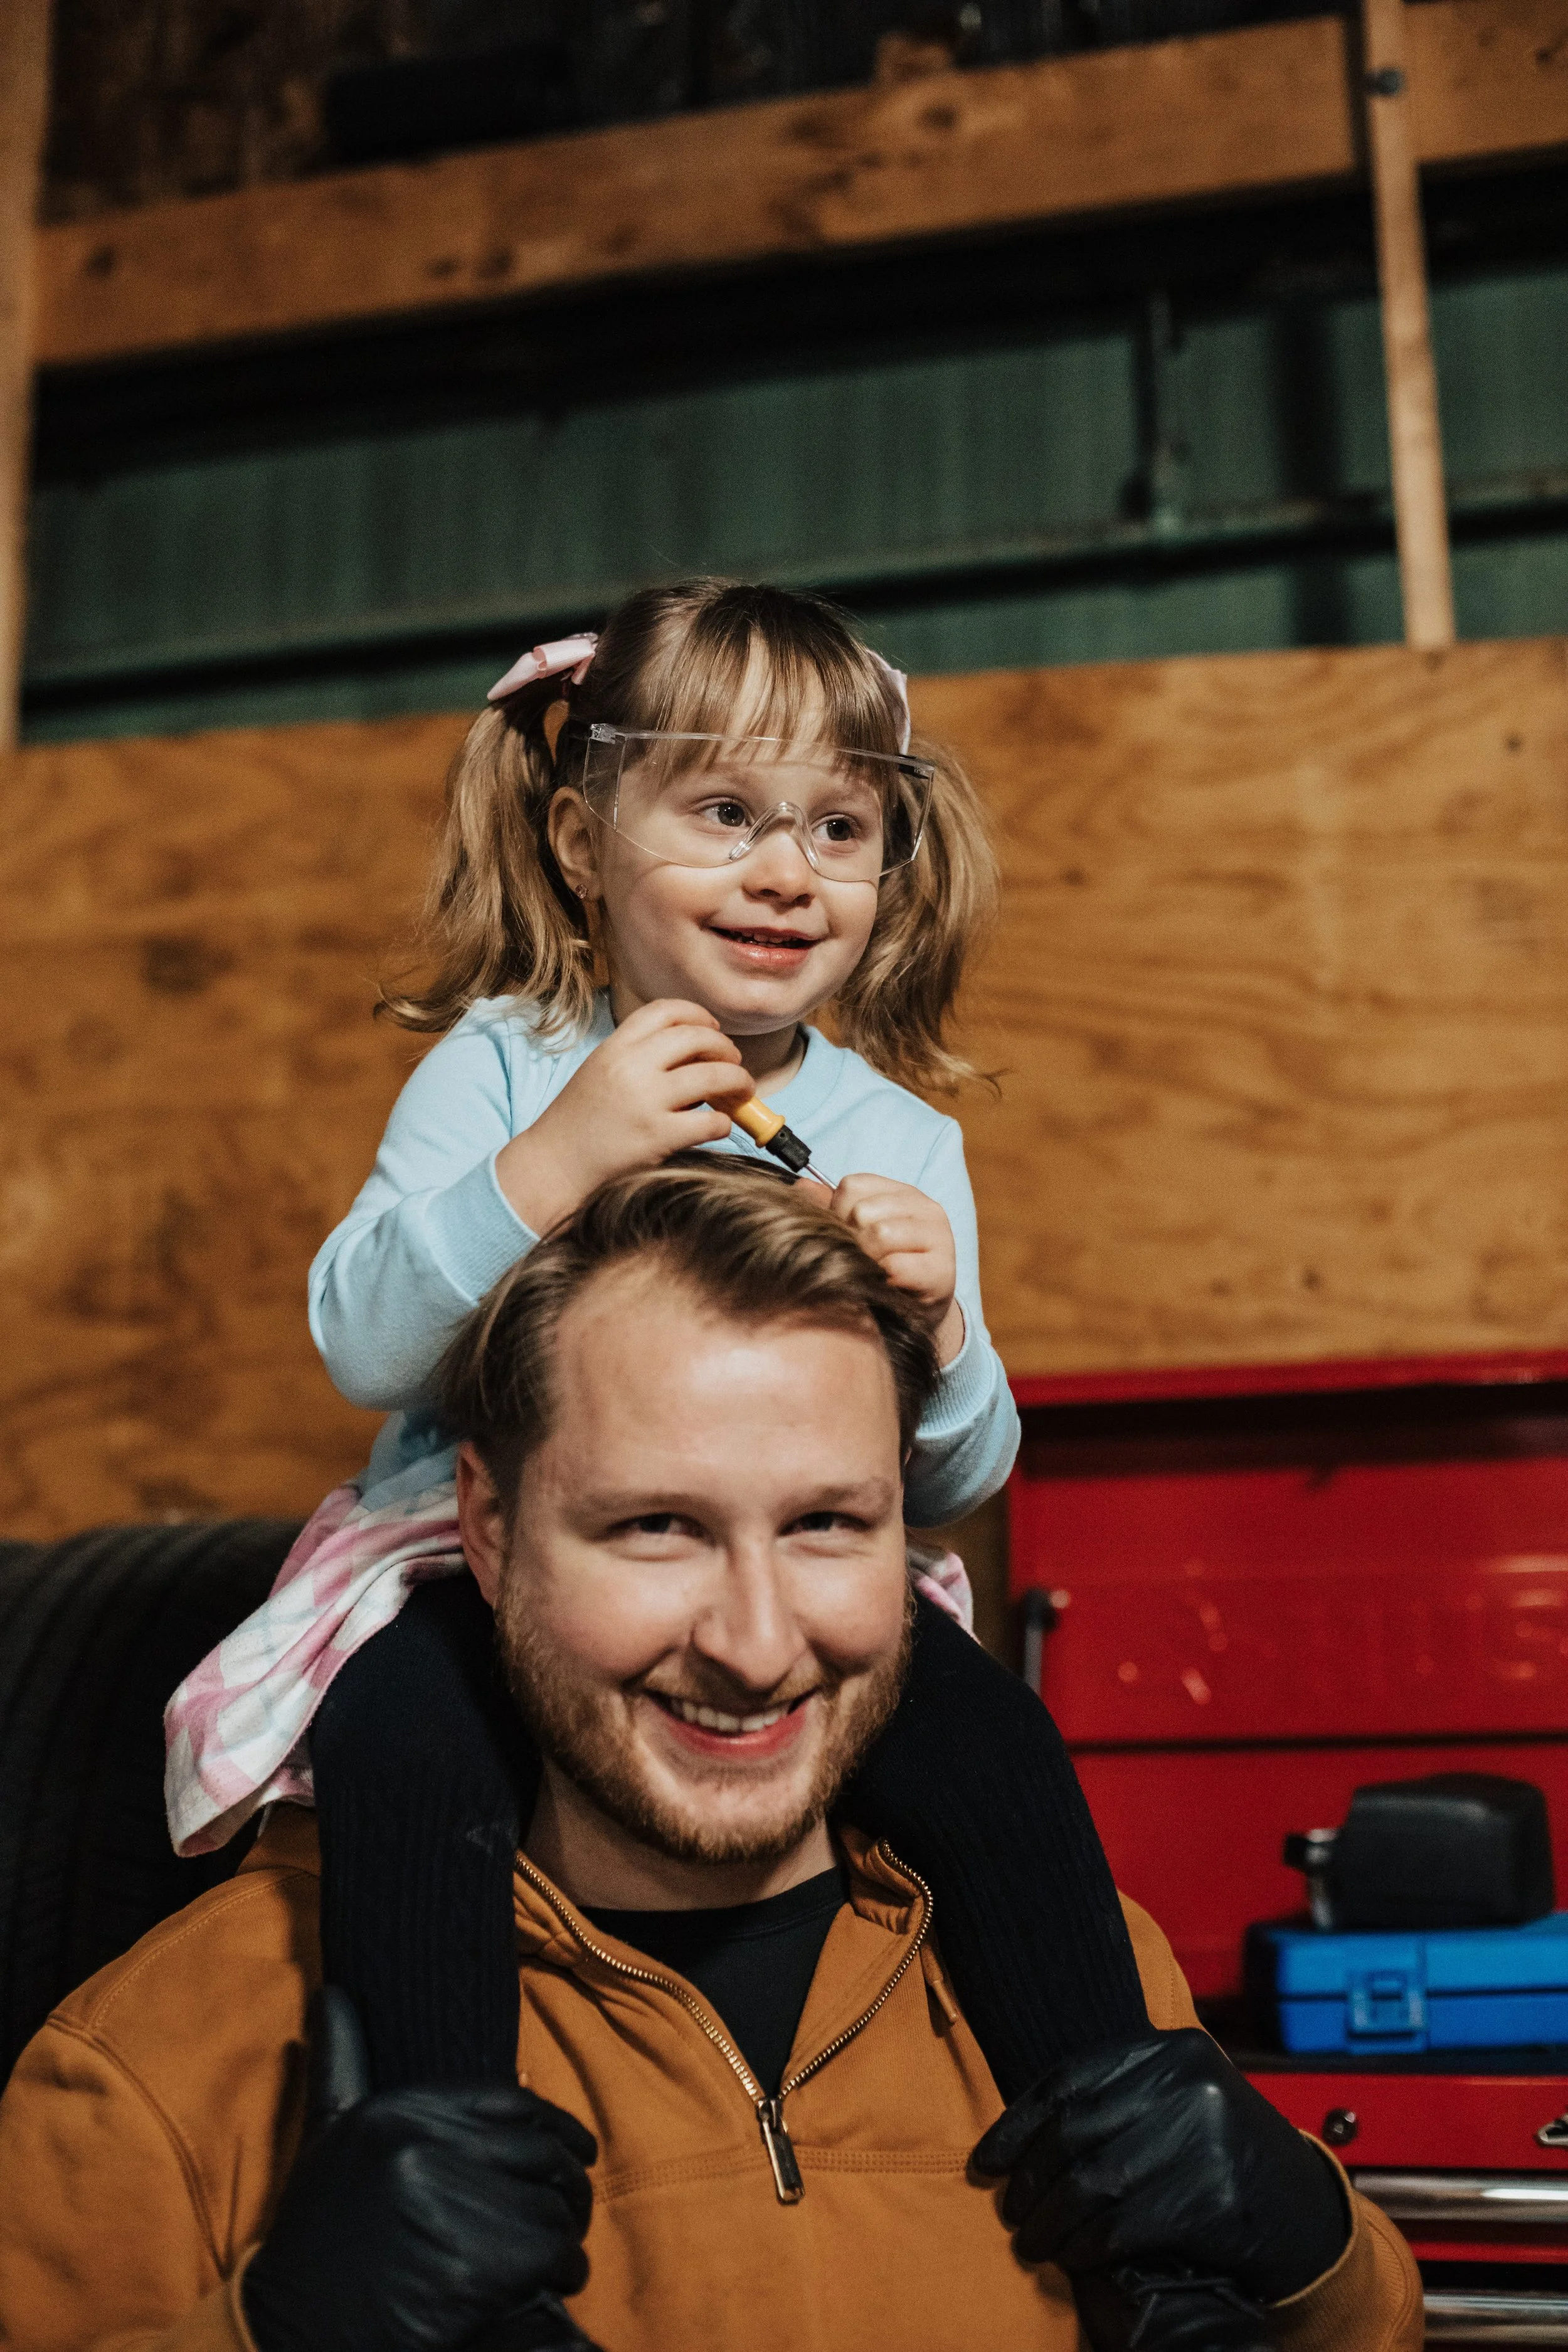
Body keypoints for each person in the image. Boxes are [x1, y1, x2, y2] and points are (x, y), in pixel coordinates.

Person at [0, 1163, 1422, 2352]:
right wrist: (268, 2333)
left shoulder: (1093, 1976)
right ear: (484, 1532)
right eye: (655, 1529)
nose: (754, 1647)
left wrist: (1312, 2250)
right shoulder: (157, 2069)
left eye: (825, 1527)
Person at [158, 578, 1148, 2116]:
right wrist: (554, 1159)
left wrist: (945, 1329)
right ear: (577, 843)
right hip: (472, 1560)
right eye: (725, 812)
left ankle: (1130, 2144)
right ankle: (440, 2164)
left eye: (837, 828)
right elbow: (361, 1341)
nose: (783, 874)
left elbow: (954, 1475)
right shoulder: (511, 1066)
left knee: (995, 1745)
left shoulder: (902, 1137)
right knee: (402, 1747)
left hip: (796, 1554)